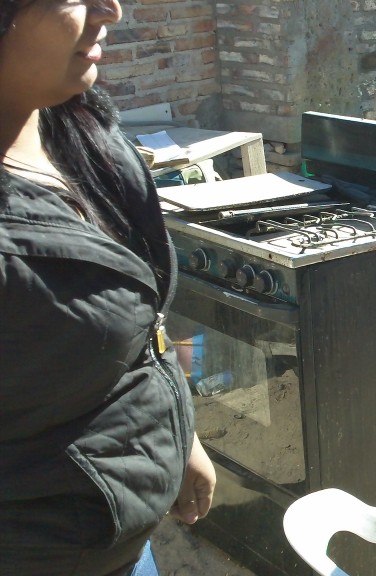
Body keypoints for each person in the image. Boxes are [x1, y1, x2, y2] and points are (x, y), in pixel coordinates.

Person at [0, 1, 215, 574]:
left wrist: (181, 436)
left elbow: (139, 328)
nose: (111, 10)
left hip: (123, 535)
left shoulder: (74, 124)